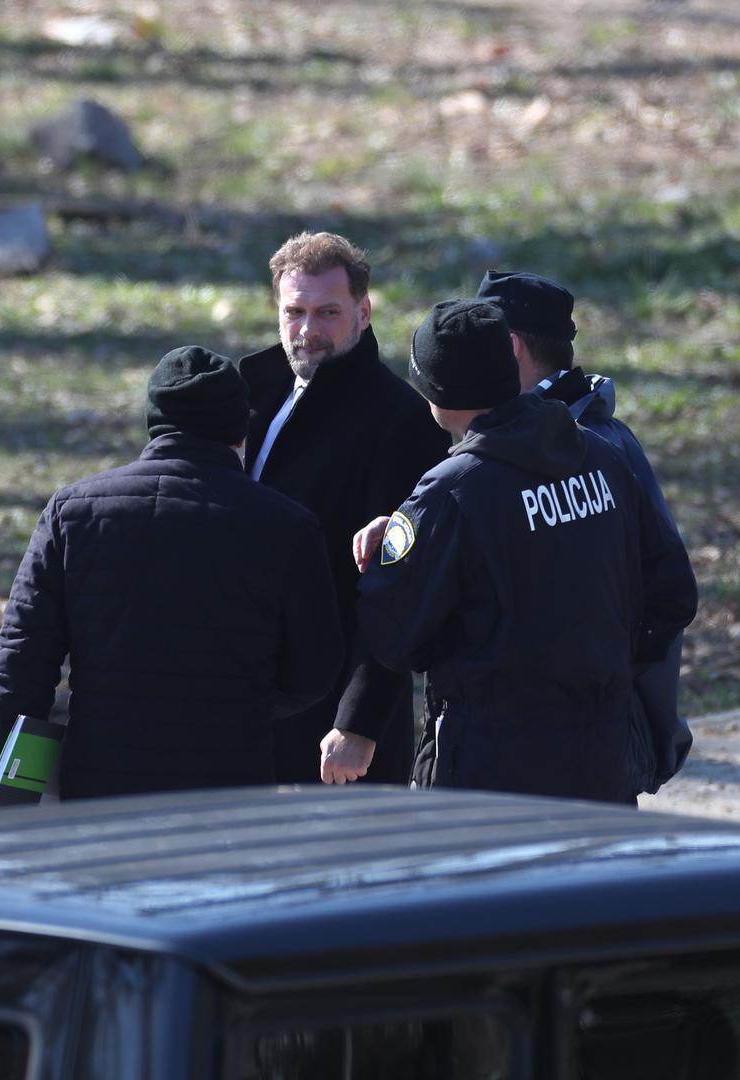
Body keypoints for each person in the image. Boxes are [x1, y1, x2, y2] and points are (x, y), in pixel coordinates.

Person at [353, 299, 698, 804]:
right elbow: (671, 595)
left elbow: (396, 635)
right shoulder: (602, 455)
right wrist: (604, 675)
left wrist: (391, 553)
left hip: (490, 774)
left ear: (435, 391)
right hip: (602, 757)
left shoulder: (451, 491)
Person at [0, 346, 344, 801]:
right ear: (240, 431)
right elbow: (314, 669)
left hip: (100, 781)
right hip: (230, 780)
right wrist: (242, 705)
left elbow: (22, 661)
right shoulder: (286, 527)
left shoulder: (73, 513)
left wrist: (3, 789)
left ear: (155, 422)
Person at [237, 232, 451, 787]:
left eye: (328, 312)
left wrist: (359, 720)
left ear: (363, 311)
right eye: (295, 312)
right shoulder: (251, 397)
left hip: (331, 726)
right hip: (248, 701)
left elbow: (398, 586)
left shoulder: (401, 421)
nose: (308, 330)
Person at [476, 269, 695, 791]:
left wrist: (604, 677)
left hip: (581, 744)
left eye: (477, 342)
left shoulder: (588, 448)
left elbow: (667, 591)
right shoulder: (600, 438)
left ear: (510, 348)